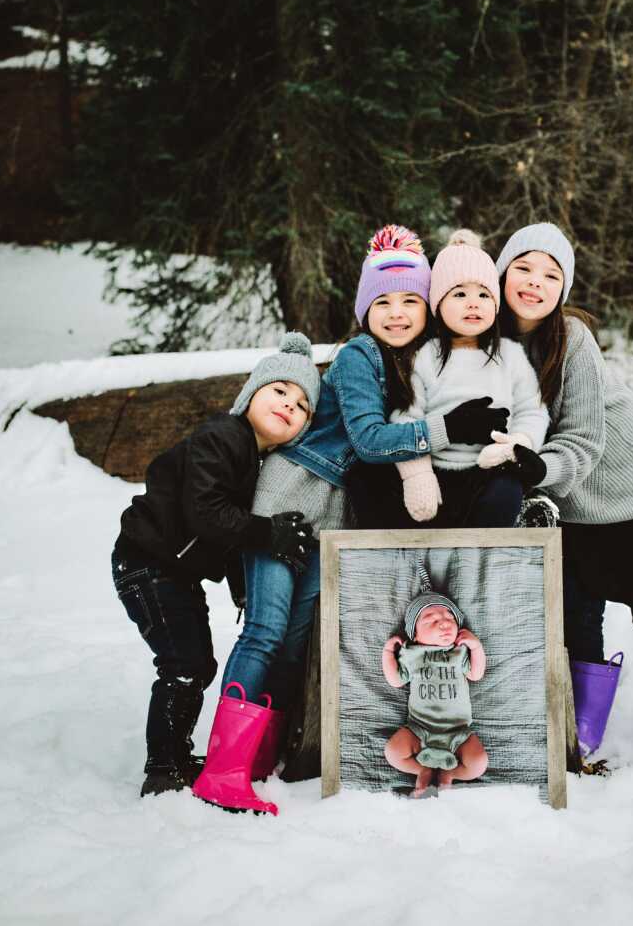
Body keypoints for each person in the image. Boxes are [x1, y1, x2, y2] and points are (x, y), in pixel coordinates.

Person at [194, 224, 507, 814]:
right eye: (382, 303)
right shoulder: (362, 354)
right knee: (264, 629)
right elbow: (365, 438)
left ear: (429, 306)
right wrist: (445, 430)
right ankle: (223, 769)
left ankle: (259, 761)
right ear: (365, 310)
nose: (396, 313)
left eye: (410, 301)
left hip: (332, 516)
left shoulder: (418, 358)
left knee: (294, 643)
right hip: (291, 495)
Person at [494, 222, 633, 771]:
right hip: (567, 497)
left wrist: (535, 472)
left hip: (627, 482)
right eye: (523, 267)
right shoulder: (487, 337)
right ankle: (584, 726)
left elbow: (585, 436)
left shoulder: (572, 337)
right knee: (578, 609)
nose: (534, 282)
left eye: (551, 274)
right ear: (501, 273)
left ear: (562, 289)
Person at [111, 333, 321, 799]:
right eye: (279, 390)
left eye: (303, 405)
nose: (289, 404)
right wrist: (269, 533)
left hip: (174, 571)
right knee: (183, 662)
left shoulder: (254, 461)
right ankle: (163, 767)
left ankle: (177, 754)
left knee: (197, 662)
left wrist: (243, 587)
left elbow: (226, 538)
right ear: (250, 395)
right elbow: (206, 512)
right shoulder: (223, 437)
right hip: (146, 562)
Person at [387, 230, 550, 528]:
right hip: (435, 470)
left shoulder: (510, 355)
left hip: (490, 468)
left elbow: (532, 409)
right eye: (460, 294)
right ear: (437, 303)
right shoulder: (424, 356)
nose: (473, 303)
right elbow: (405, 418)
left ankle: (486, 565)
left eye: (483, 294)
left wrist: (518, 442)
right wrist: (417, 474)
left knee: (506, 494)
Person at [382, 570, 487, 797]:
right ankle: (423, 770)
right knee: (392, 752)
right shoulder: (412, 654)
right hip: (419, 729)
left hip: (458, 732)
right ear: (415, 636)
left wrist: (476, 647)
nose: (444, 624)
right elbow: (396, 680)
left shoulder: (460, 652)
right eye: (432, 620)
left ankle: (451, 774)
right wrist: (388, 652)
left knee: (478, 763)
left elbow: (476, 675)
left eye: (450, 619)